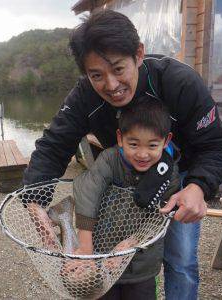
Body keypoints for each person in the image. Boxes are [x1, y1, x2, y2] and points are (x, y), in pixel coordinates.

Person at [23, 9, 222, 299]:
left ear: (139, 54)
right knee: (111, 248)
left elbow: (216, 145)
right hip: (121, 175)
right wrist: (35, 202)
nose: (111, 85)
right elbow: (53, 145)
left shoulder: (179, 82)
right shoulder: (84, 96)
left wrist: (198, 187)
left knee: (181, 259)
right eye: (97, 75)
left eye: (118, 69)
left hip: (178, 173)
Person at [73, 100, 180, 300]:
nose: (142, 154)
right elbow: (88, 190)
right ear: (120, 138)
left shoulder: (170, 172)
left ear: (166, 141)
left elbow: (162, 216)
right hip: (101, 256)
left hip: (142, 263)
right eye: (133, 144)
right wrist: (85, 246)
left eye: (152, 145)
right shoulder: (109, 160)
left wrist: (133, 241)